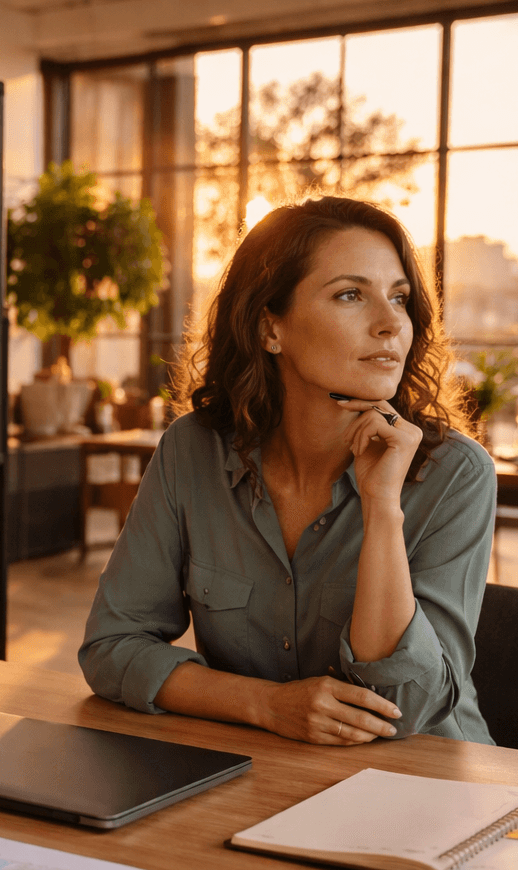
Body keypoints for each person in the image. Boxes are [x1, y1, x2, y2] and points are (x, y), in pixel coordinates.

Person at [78, 196, 495, 746]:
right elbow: (112, 647)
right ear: (269, 328)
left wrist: (382, 507)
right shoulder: (193, 451)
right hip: (262, 772)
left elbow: (404, 707)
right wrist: (266, 705)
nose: (391, 322)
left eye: (399, 298)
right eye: (351, 295)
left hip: (431, 789)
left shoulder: (456, 475)